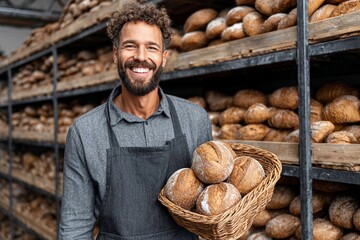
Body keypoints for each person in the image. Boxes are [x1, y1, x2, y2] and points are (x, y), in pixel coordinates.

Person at [58, 1, 212, 239]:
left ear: (163, 57)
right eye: (131, 46)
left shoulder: (195, 120)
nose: (141, 57)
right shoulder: (85, 132)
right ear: (116, 54)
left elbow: (208, 207)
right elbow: (75, 225)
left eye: (151, 48)